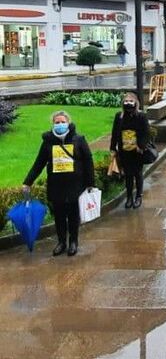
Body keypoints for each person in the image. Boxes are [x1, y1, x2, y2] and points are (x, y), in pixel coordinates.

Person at [23, 110, 95, 257]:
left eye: (63, 122)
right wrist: (28, 182)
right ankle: (61, 242)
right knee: (59, 215)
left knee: (73, 214)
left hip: (75, 185)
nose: (60, 124)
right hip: (56, 185)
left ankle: (73, 241)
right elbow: (39, 163)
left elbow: (88, 161)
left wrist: (90, 183)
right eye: (57, 122)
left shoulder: (79, 139)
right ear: (53, 124)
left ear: (68, 123)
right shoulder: (48, 142)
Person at [109, 92, 150, 209]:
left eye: (131, 101)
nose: (128, 103)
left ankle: (138, 196)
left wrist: (141, 146)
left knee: (137, 173)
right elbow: (114, 133)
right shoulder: (119, 116)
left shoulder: (141, 116)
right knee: (128, 174)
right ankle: (129, 197)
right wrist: (113, 148)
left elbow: (146, 133)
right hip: (124, 150)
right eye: (126, 101)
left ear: (136, 103)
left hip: (137, 150)